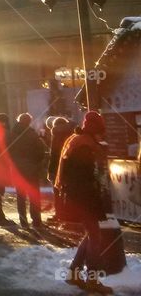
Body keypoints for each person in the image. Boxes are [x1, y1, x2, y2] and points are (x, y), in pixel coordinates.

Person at [55, 111, 114, 294]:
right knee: (95, 237)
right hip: (85, 197)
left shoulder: (76, 140)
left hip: (77, 196)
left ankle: (74, 272)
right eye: (100, 130)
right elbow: (85, 176)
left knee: (91, 234)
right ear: (95, 128)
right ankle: (93, 279)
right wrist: (97, 196)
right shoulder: (85, 146)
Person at [8, 113, 46, 228]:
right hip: (31, 168)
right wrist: (37, 162)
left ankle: (23, 221)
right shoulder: (32, 134)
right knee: (34, 195)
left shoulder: (11, 134)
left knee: (21, 196)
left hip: (17, 169)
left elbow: (7, 151)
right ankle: (36, 220)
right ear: (29, 122)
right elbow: (41, 150)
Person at [48, 116, 76, 222]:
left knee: (57, 192)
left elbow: (54, 155)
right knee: (68, 192)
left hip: (57, 168)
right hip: (70, 167)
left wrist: (50, 170)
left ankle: (59, 214)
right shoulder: (71, 134)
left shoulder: (55, 134)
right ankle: (69, 213)